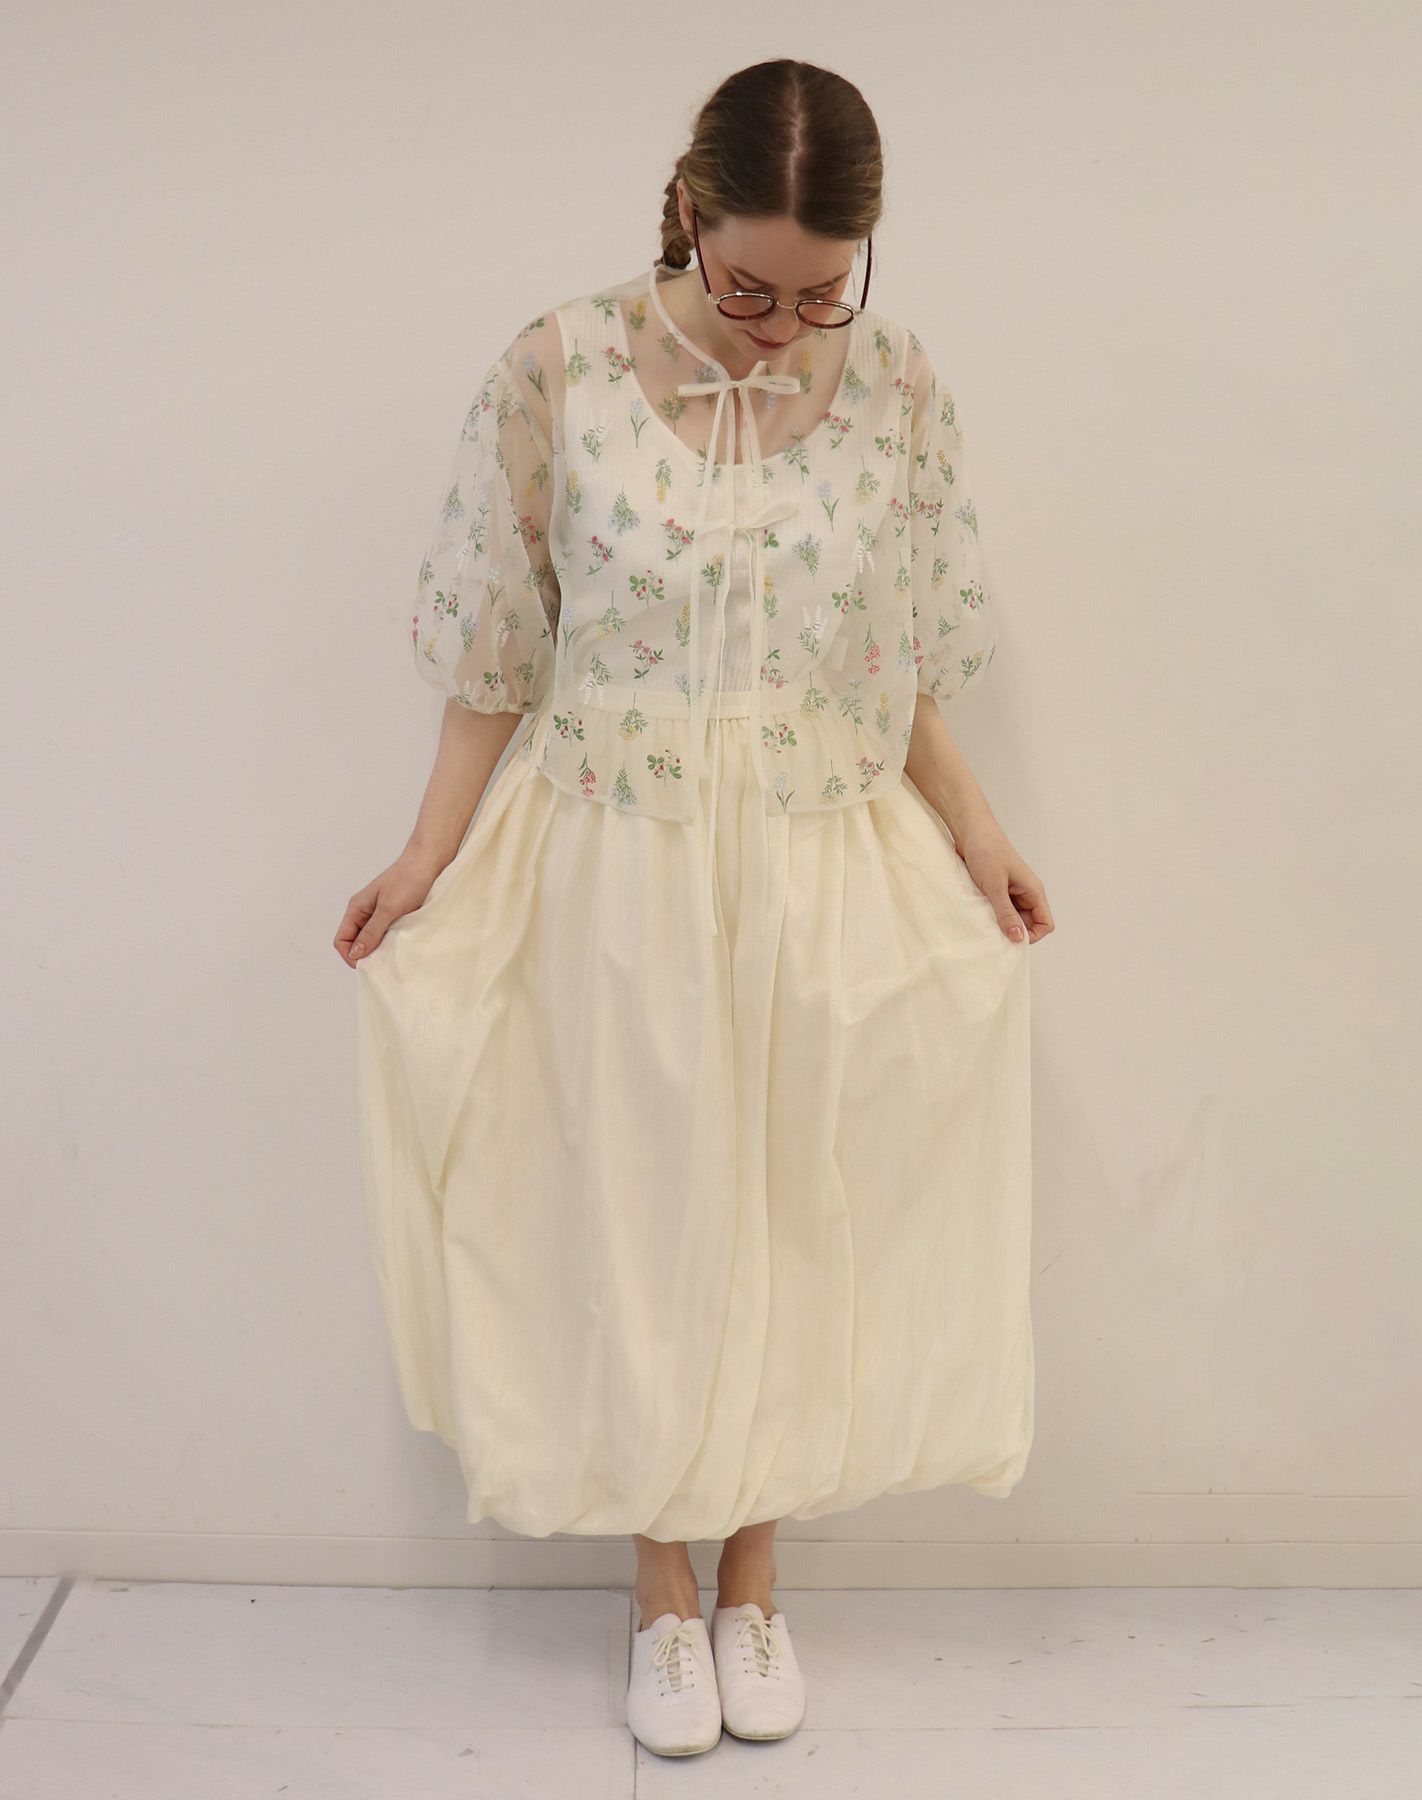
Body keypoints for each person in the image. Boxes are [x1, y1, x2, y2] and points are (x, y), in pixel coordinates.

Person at [335, 58, 1054, 1760]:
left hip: (816, 845)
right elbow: (497, 650)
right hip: (622, 848)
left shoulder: (897, 387)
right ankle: (661, 1591)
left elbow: (897, 655)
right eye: (750, 287)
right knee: (644, 1212)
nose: (784, 328)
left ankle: (756, 1581)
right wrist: (426, 856)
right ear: (687, 209)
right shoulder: (558, 372)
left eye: (820, 293)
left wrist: (979, 833)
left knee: (795, 1204)